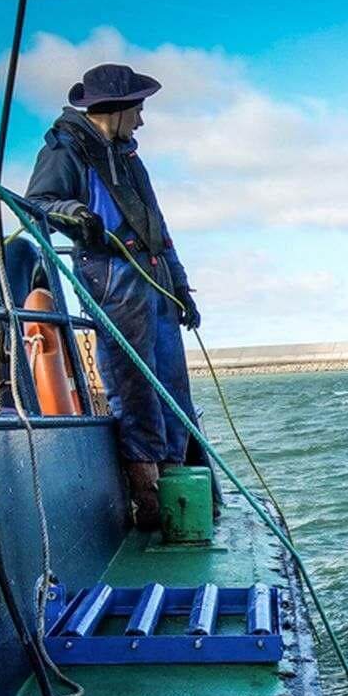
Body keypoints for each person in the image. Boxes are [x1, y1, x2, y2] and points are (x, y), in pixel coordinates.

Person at [25, 62, 201, 529]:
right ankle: (147, 499)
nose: (141, 120)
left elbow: (159, 230)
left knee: (171, 385)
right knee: (132, 384)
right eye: (137, 110)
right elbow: (38, 202)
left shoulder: (130, 159)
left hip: (155, 278)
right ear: (116, 110)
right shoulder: (67, 149)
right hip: (112, 275)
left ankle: (179, 491)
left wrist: (181, 286)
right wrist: (73, 212)